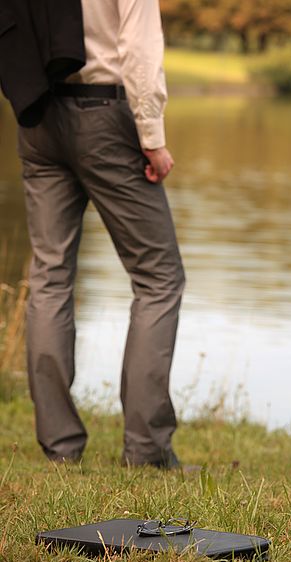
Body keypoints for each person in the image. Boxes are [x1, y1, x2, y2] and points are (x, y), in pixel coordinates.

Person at [14, 0, 195, 470]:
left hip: (38, 116)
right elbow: (138, 48)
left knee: (50, 276)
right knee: (159, 279)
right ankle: (148, 450)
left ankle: (59, 448)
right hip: (104, 113)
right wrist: (152, 137)